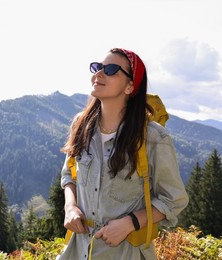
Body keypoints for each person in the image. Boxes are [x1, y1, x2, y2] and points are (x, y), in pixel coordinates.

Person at [57, 48, 189, 259]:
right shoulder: (81, 125)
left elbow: (174, 199)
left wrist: (131, 223)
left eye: (110, 69)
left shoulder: (153, 138)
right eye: (98, 67)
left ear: (130, 86)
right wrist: (70, 206)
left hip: (125, 253)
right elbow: (68, 175)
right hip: (77, 250)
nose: (99, 73)